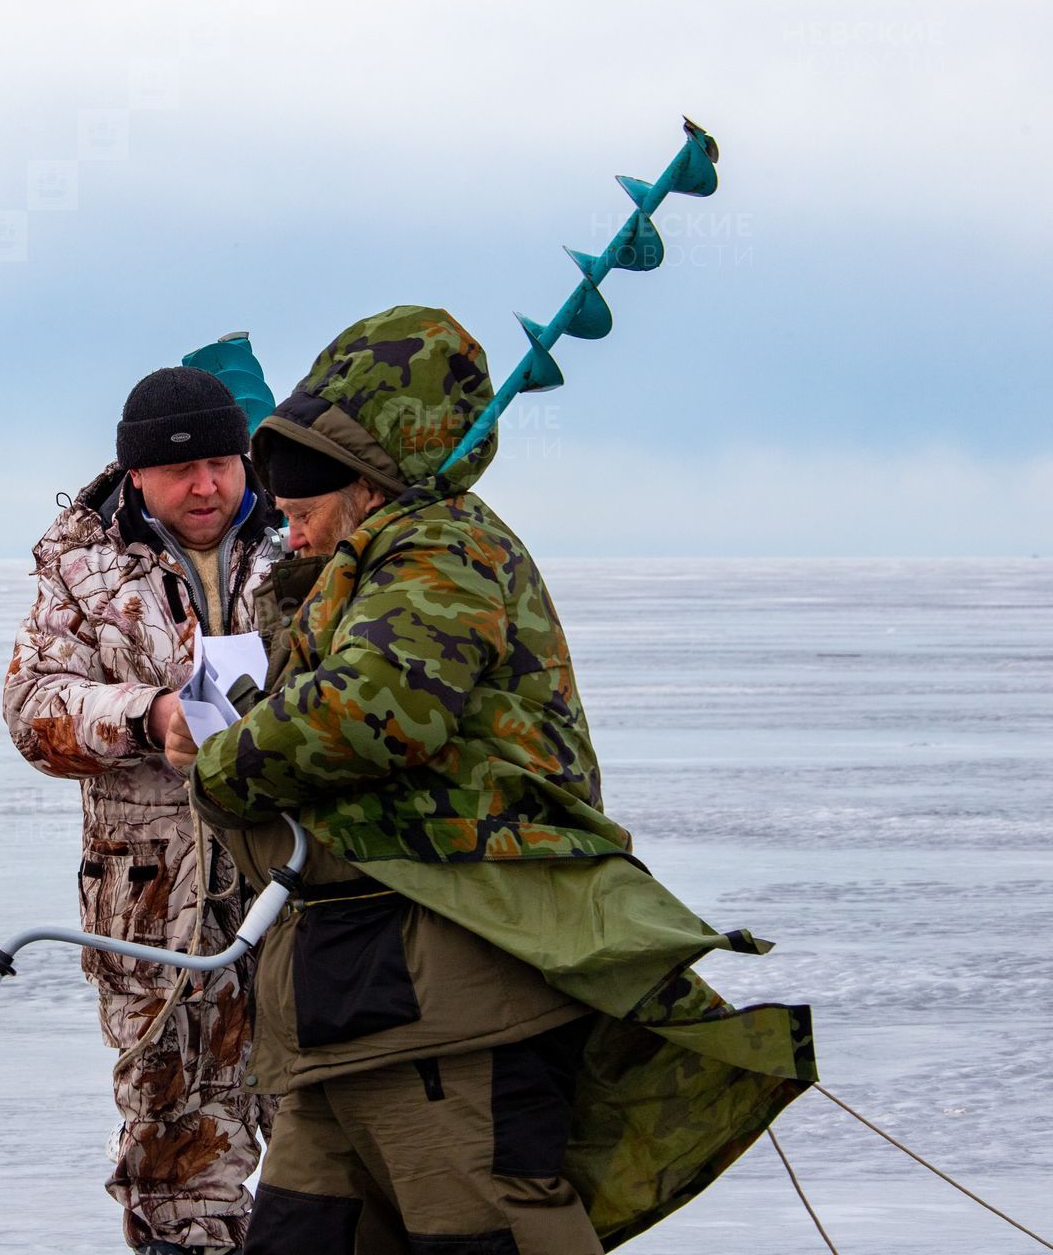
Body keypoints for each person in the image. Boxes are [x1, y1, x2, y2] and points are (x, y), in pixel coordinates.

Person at [172, 305, 815, 1254]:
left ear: (362, 481)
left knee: (484, 1237)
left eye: (302, 517)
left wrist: (220, 766)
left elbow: (373, 711)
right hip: (346, 996)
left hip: (453, 1000)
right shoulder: (356, 572)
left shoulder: (443, 550)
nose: (290, 538)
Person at [3, 365, 285, 1254]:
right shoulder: (80, 564)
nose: (205, 486)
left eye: (220, 463)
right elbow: (32, 710)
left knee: (335, 1135)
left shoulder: (306, 535)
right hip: (154, 911)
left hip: (301, 893)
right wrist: (146, 718)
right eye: (179, 470)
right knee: (176, 1154)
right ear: (136, 475)